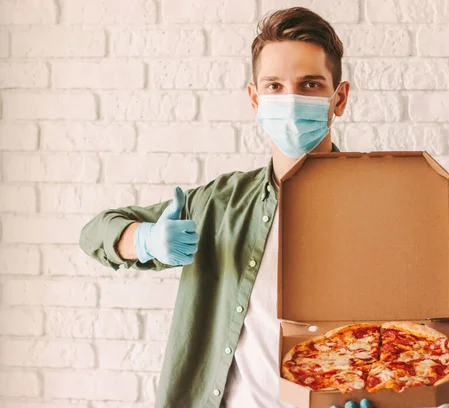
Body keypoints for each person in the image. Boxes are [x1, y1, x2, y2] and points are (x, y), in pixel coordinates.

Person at [79, 7, 372, 408]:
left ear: (338, 99)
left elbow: (410, 325)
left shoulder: (378, 209)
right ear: (254, 99)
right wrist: (145, 240)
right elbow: (96, 232)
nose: (290, 100)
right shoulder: (220, 205)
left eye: (309, 84)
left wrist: (383, 393)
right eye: (274, 86)